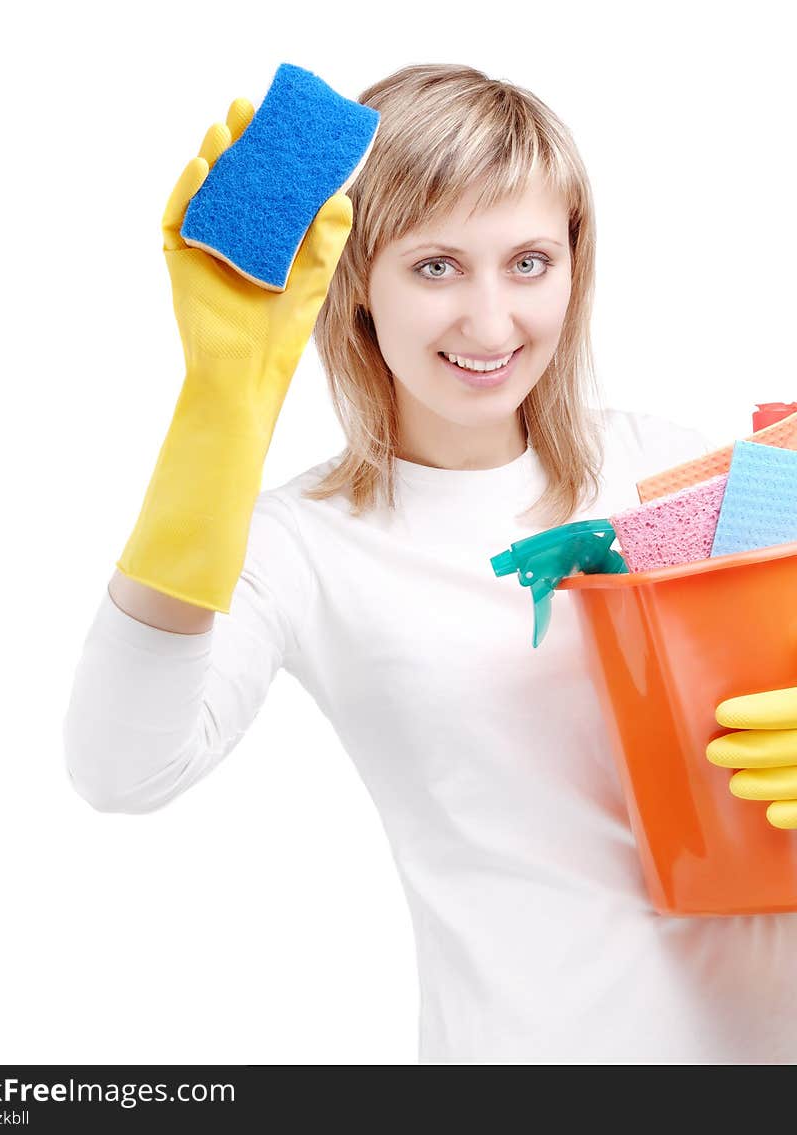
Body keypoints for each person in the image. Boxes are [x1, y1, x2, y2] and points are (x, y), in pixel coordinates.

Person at [63, 63, 797, 1064]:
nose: (491, 325)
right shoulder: (302, 545)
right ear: (356, 282)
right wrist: (218, 408)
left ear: (576, 266)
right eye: (436, 266)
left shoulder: (672, 474)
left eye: (528, 262)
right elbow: (122, 767)